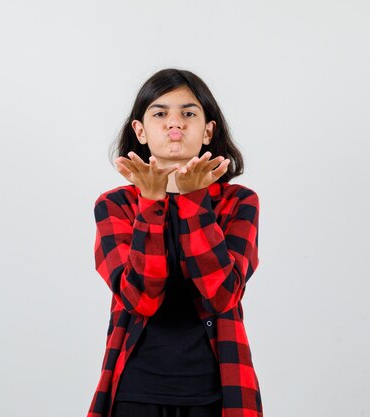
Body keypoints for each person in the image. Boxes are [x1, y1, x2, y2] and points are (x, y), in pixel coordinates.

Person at [87, 68, 263, 417]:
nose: (175, 123)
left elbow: (221, 295)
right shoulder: (115, 206)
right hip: (135, 392)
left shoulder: (238, 202)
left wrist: (194, 198)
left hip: (219, 393)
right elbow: (141, 300)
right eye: (160, 113)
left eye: (188, 113)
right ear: (140, 130)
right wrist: (151, 204)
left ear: (208, 130)